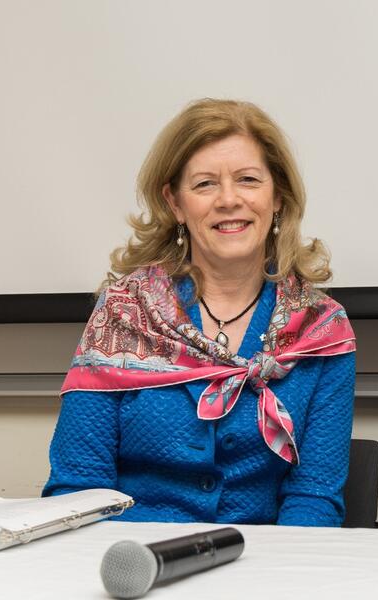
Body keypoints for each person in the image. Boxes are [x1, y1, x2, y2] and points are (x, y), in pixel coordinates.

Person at [43, 99, 356, 526]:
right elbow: (76, 487)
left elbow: (314, 497)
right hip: (131, 570)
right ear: (175, 203)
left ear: (277, 195)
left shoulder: (321, 328)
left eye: (248, 180)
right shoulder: (122, 314)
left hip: (259, 573)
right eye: (205, 184)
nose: (229, 200)